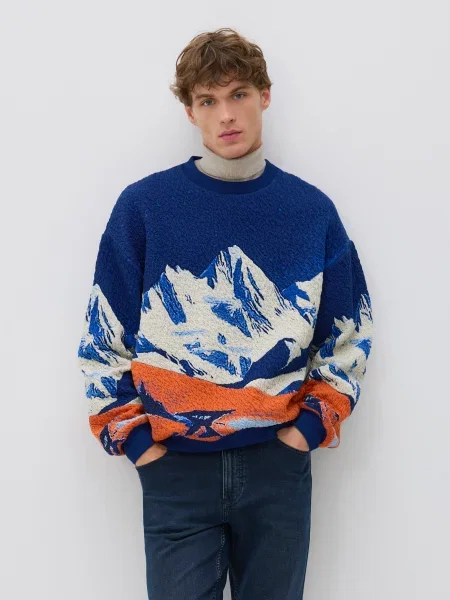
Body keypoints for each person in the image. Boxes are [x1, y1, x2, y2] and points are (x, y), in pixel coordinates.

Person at [77, 27, 373, 600]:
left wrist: (307, 432)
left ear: (265, 95)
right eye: (208, 101)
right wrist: (139, 445)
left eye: (238, 94)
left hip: (277, 468)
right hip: (175, 472)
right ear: (190, 112)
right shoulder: (144, 208)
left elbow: (350, 337)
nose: (226, 115)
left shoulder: (310, 211)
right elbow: (101, 340)